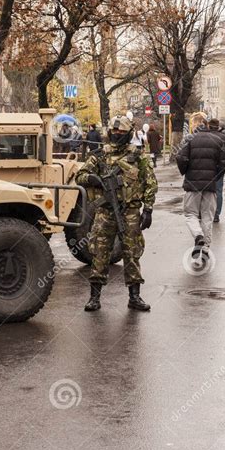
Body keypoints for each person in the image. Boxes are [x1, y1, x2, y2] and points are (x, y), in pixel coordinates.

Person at [76, 115, 157, 312]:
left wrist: (148, 209)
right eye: (114, 131)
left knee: (132, 253)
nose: (117, 134)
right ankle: (94, 297)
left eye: (121, 132)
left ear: (129, 134)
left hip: (130, 212)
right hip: (105, 211)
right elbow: (79, 177)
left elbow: (150, 183)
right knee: (100, 252)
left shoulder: (138, 156)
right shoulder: (99, 155)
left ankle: (134, 296)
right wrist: (92, 178)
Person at [176, 117, 225, 258]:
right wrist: (215, 176)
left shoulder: (190, 140)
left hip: (192, 185)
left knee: (190, 214)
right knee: (207, 216)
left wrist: (186, 171)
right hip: (210, 185)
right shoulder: (217, 140)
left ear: (195, 126)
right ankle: (205, 247)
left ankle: (198, 235)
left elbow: (180, 157)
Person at [207, 119, 225, 223]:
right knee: (218, 191)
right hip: (219, 169)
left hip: (206, 168)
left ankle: (204, 212)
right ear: (218, 127)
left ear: (209, 126)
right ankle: (216, 214)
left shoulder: (204, 137)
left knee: (205, 191)